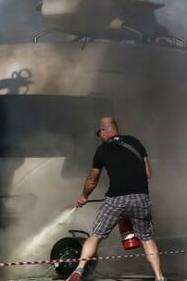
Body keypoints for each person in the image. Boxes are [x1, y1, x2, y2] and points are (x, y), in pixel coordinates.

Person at [66, 116, 165, 281]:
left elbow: (92, 180)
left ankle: (79, 269)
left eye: (99, 133)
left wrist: (84, 196)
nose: (100, 136)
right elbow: (148, 173)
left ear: (104, 131)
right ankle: (159, 276)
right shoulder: (135, 142)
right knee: (147, 239)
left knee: (95, 235)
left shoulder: (102, 150)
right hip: (141, 198)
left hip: (115, 200)